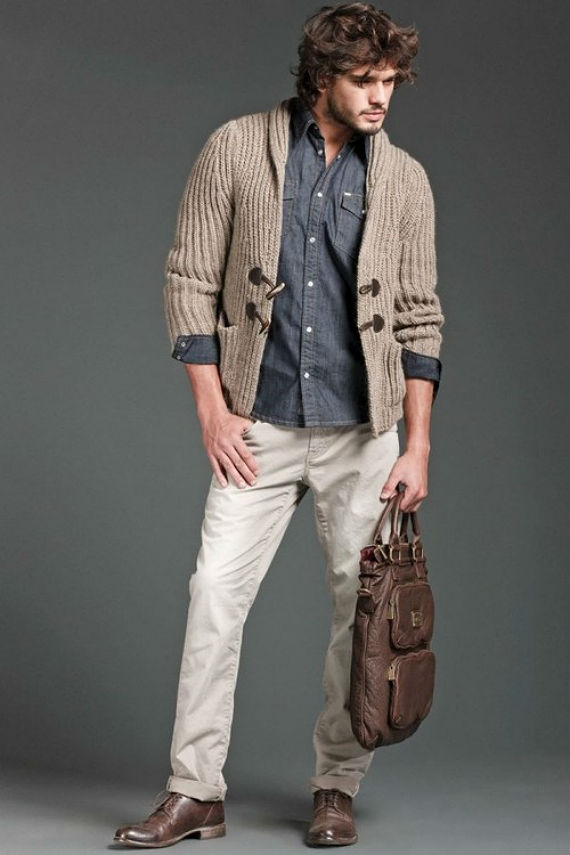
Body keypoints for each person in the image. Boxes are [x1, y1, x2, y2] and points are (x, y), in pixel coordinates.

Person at [113, 2, 444, 848]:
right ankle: (196, 791)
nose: (381, 97)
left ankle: (336, 784)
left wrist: (417, 444)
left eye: (390, 82)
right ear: (321, 77)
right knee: (213, 596)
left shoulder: (404, 180)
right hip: (257, 424)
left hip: (363, 431)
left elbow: (419, 317)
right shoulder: (234, 148)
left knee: (359, 616)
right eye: (364, 80)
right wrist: (212, 411)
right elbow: (189, 281)